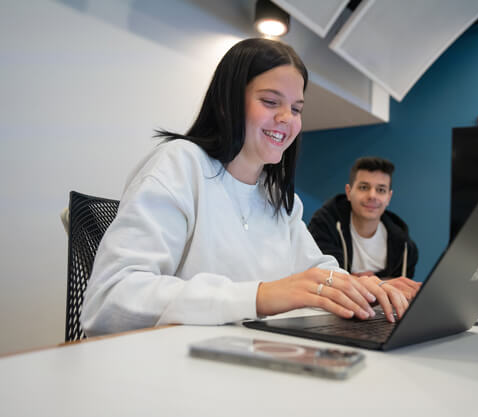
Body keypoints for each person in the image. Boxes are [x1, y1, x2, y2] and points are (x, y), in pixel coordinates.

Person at [80, 38, 410, 336]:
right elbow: (110, 301)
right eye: (270, 101)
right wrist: (261, 295)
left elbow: (318, 275)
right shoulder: (181, 164)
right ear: (227, 103)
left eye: (296, 108)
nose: (287, 118)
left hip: (250, 362)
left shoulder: (280, 199)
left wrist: (370, 290)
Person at [308, 157, 420, 300]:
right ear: (349, 192)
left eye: (381, 189)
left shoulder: (405, 247)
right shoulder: (324, 226)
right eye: (364, 187)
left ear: (389, 197)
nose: (372, 196)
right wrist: (377, 283)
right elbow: (323, 278)